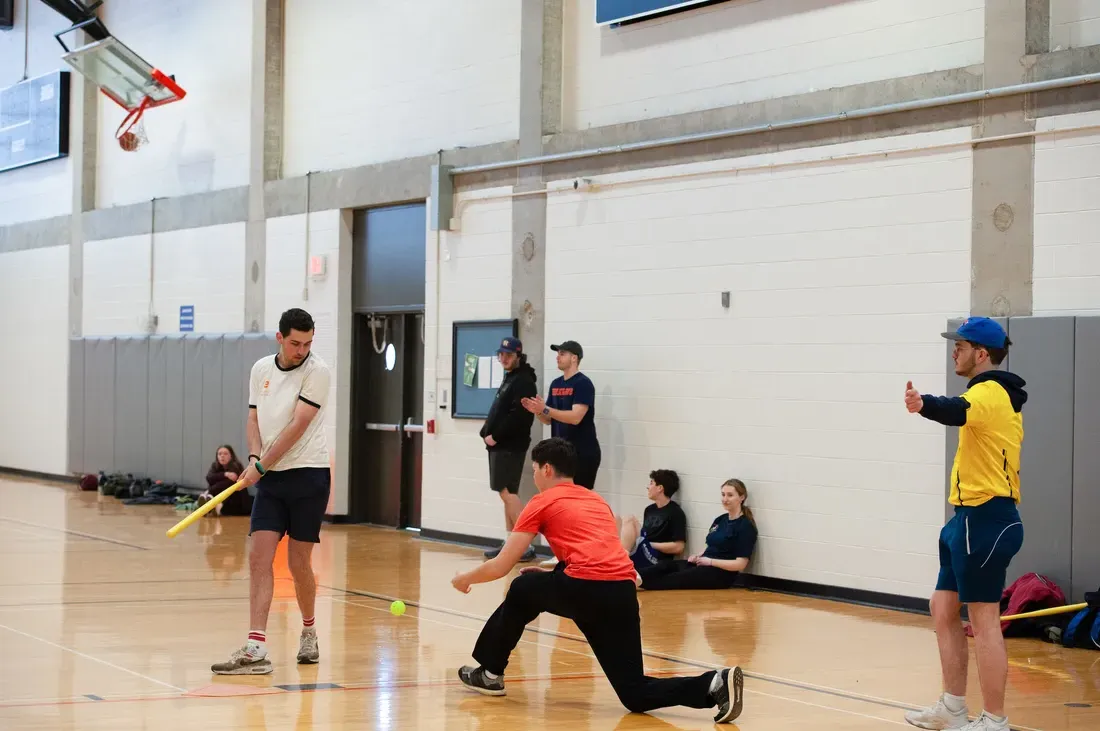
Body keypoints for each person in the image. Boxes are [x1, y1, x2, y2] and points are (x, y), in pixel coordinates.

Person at [450, 437, 744, 724]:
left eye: (535, 469)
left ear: (547, 469)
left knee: (521, 587)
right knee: (634, 694)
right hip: (622, 592)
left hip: (585, 588)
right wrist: (556, 574)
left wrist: (466, 578)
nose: (535, 475)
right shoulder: (596, 501)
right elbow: (598, 555)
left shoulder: (541, 502)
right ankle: (713, 684)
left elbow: (503, 564)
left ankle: (489, 674)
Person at [903, 317, 1026, 731]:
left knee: (984, 618)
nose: (954, 350)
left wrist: (926, 405)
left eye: (961, 345)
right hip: (964, 517)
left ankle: (994, 720)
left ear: (982, 354)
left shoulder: (991, 391)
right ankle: (954, 707)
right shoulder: (986, 392)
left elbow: (957, 410)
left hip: (988, 517)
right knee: (942, 607)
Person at [210, 308, 332, 675]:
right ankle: (255, 647)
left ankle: (308, 630)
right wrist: (252, 456)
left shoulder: (318, 372)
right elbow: (254, 419)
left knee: (298, 564)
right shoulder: (260, 369)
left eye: (308, 343)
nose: (302, 350)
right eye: (295, 343)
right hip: (272, 480)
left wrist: (260, 466)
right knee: (258, 558)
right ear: (280, 338)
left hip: (309, 475)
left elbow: (298, 425)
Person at [479, 336, 538, 562]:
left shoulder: (523, 382)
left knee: (506, 493)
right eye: (501, 354)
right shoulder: (511, 379)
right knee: (507, 494)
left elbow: (519, 418)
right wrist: (485, 432)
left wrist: (496, 435)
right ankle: (511, 544)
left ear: (518, 356)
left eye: (509, 355)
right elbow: (498, 410)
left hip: (509, 445)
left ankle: (524, 544)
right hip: (500, 445)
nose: (504, 358)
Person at [638, 479, 757, 591]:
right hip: (704, 564)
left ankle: (633, 585)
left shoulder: (745, 526)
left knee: (673, 578)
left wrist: (710, 562)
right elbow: (711, 545)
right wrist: (698, 556)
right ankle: (627, 577)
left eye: (730, 495)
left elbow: (740, 564)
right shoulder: (720, 520)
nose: (725, 499)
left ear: (742, 497)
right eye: (723, 495)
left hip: (721, 573)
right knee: (665, 566)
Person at [521, 340, 601, 489]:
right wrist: (538, 410)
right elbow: (548, 419)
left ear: (574, 358)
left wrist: (545, 409)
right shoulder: (556, 384)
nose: (558, 357)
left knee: (578, 499)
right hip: (561, 454)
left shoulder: (583, 383)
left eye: (562, 354)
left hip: (582, 452)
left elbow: (575, 418)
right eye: (557, 354)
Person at [617, 469, 688, 571]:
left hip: (656, 559)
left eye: (651, 483)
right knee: (620, 520)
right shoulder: (649, 509)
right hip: (644, 548)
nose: (648, 487)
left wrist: (649, 544)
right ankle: (619, 560)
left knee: (630, 519)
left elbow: (679, 547)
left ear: (660, 488)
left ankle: (619, 563)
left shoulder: (676, 512)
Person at [199, 445, 252, 516]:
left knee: (229, 483)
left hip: (236, 502)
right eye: (220, 454)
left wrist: (210, 490)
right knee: (215, 481)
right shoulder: (215, 465)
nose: (222, 456)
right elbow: (209, 478)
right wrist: (225, 474)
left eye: (225, 454)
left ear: (231, 456)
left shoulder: (236, 465)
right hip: (221, 497)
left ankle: (213, 505)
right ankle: (210, 506)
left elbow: (231, 483)